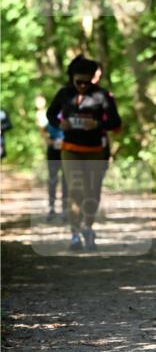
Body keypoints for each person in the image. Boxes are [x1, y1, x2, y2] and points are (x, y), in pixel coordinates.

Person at [46, 54, 121, 251]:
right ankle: (74, 233)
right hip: (70, 149)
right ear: (72, 78)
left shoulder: (101, 95)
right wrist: (59, 123)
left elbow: (116, 122)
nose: (82, 86)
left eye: (87, 82)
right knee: (75, 190)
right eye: (79, 82)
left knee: (92, 192)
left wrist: (97, 124)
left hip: (95, 150)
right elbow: (50, 114)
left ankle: (88, 227)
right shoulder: (64, 94)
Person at [36, 95, 68, 221]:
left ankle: (65, 209)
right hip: (53, 151)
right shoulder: (52, 116)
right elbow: (43, 130)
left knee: (66, 180)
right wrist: (49, 140)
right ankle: (51, 207)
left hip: (66, 151)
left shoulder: (69, 116)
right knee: (53, 179)